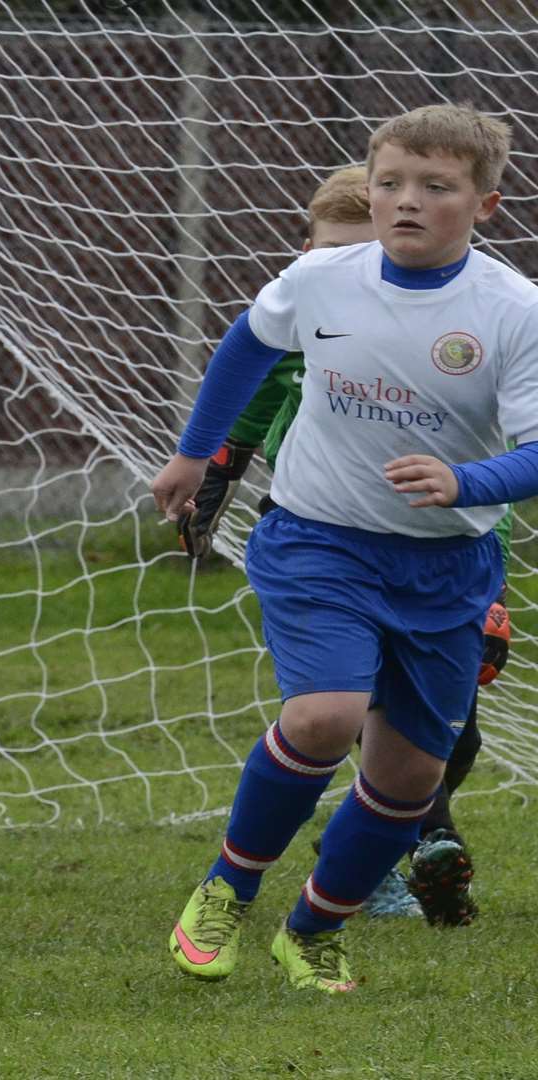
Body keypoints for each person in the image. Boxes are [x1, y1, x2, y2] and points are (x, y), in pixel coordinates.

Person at [154, 103, 538, 993]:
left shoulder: (513, 312)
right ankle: (225, 891)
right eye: (391, 183)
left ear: (484, 205)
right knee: (326, 716)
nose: (406, 202)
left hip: (447, 565)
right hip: (318, 538)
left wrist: (465, 482)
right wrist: (193, 453)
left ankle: (314, 930)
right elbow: (246, 347)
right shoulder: (322, 278)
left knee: (410, 777)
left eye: (435, 188)